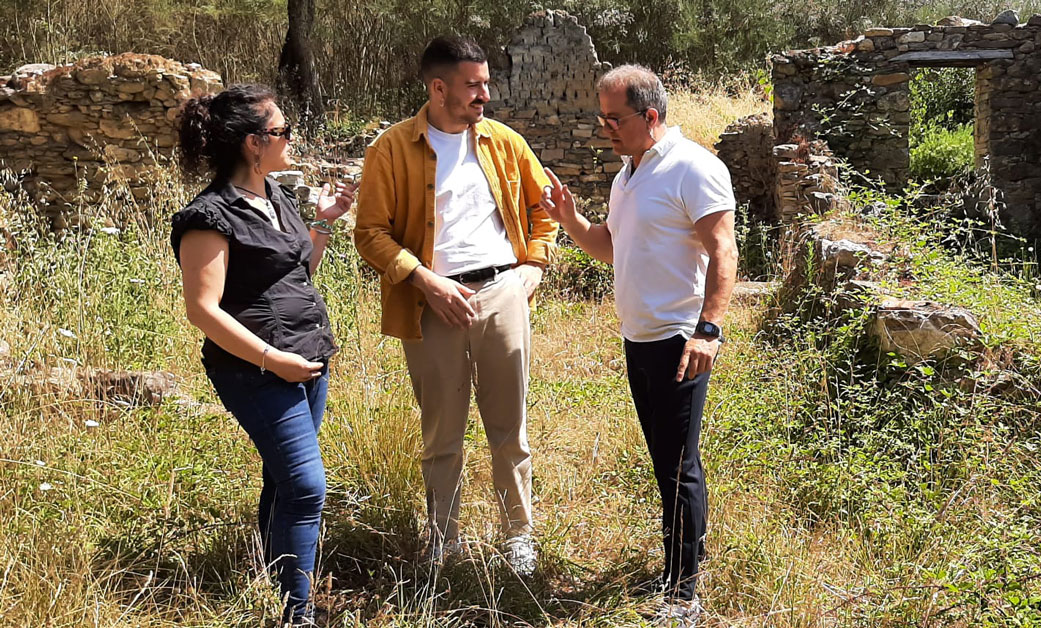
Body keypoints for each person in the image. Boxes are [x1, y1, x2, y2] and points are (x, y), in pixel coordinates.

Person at [539, 65, 737, 626]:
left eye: (613, 118)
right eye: (601, 117)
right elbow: (609, 246)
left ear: (650, 117)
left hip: (679, 339)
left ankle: (683, 593)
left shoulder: (694, 168)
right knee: (664, 460)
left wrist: (709, 330)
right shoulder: (629, 172)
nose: (605, 128)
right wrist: (571, 219)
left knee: (678, 465)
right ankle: (684, 561)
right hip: (638, 338)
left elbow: (723, 250)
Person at [353, 36, 557, 576]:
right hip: (431, 302)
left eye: (486, 83)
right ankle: (443, 538)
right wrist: (424, 282)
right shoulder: (391, 149)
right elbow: (370, 233)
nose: (484, 95)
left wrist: (531, 270)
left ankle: (519, 536)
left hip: (501, 292)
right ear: (438, 87)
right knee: (441, 431)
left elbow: (545, 211)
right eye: (474, 85)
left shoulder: (506, 143)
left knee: (509, 427)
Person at [170, 84, 357, 625]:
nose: (290, 138)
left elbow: (294, 272)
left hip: (307, 359)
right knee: (305, 486)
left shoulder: (275, 198)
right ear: (254, 144)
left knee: (282, 481)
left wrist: (322, 221)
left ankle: (277, 587)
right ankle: (297, 613)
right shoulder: (208, 217)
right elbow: (203, 310)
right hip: (255, 370)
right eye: (282, 131)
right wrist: (273, 361)